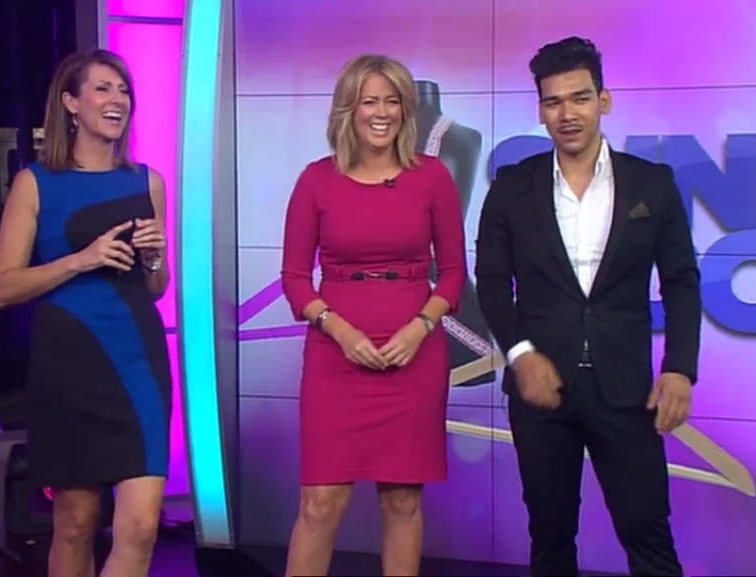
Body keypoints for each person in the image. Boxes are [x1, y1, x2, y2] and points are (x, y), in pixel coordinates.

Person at [475, 37, 701, 577]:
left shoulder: (652, 184)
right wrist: (521, 354)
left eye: (579, 98)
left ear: (604, 100)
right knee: (550, 538)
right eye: (553, 102)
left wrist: (679, 368)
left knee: (648, 534)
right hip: (541, 394)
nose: (567, 114)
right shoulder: (511, 187)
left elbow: (681, 281)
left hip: (625, 390)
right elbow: (492, 282)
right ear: (540, 110)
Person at [279, 54, 467, 577]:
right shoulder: (316, 180)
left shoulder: (432, 178)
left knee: (403, 502)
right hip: (335, 357)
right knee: (319, 505)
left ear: (405, 110)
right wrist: (339, 330)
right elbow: (294, 279)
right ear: (349, 109)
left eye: (392, 101)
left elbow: (454, 274)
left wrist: (420, 328)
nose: (381, 113)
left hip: (413, 356)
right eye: (370, 101)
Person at [0, 49, 171, 577]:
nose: (118, 101)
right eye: (104, 89)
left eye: (124, 91)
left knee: (141, 526)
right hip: (68, 362)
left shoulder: (147, 182)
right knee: (75, 523)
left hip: (137, 360)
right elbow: (2, 288)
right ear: (70, 102)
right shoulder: (36, 183)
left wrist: (153, 257)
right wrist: (80, 260)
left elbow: (155, 288)